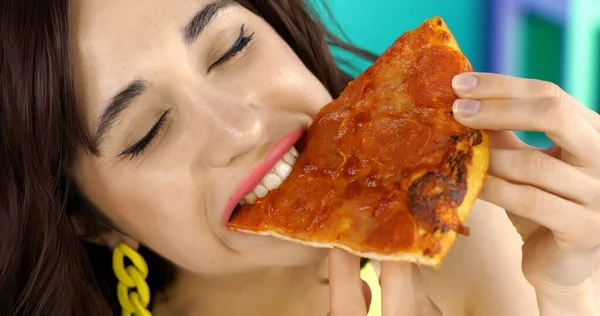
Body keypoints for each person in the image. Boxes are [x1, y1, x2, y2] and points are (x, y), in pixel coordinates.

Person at [0, 0, 598, 315]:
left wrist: (569, 295)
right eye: (148, 130)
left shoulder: (473, 242)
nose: (242, 126)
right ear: (88, 219)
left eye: (232, 47)